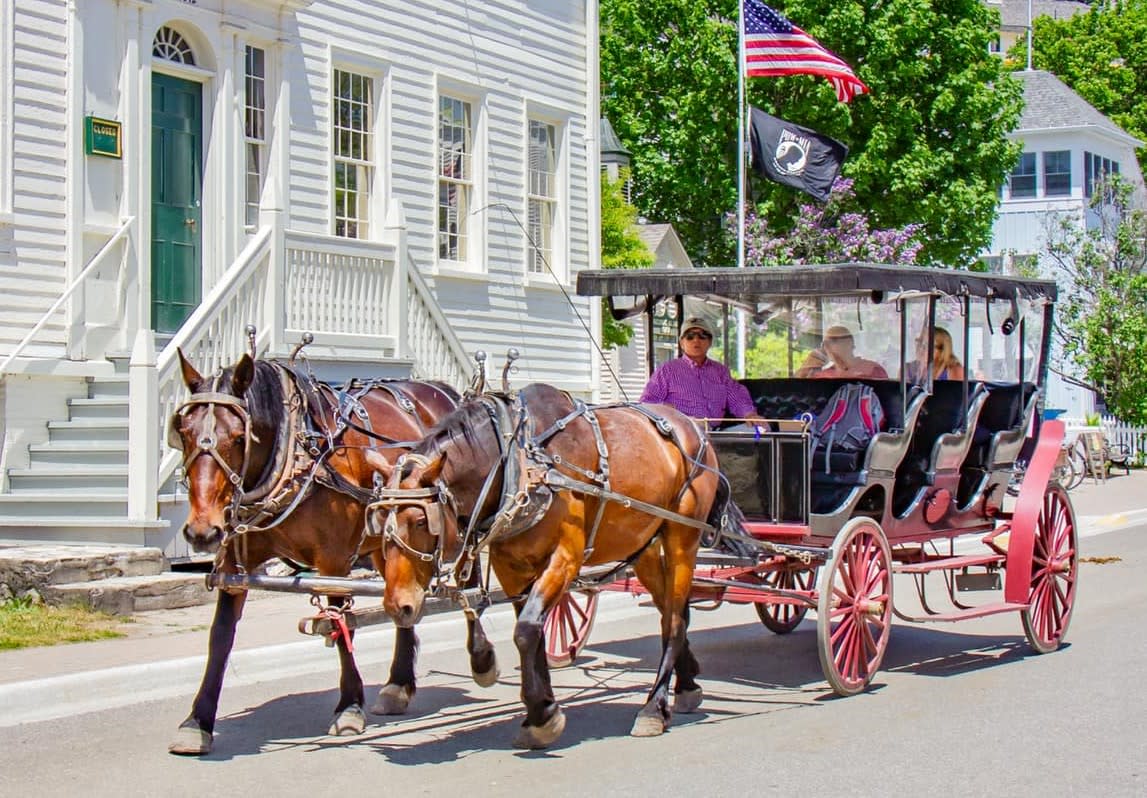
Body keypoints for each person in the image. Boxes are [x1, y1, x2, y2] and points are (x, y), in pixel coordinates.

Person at [640, 316, 767, 428]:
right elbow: (647, 403)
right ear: (681, 343)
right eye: (690, 337)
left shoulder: (720, 371)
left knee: (762, 429)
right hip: (681, 432)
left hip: (716, 433)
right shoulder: (667, 370)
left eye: (702, 336)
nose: (696, 340)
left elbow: (736, 397)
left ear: (710, 342)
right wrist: (666, 409)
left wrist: (749, 414)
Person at [796, 325, 889, 379]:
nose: (827, 346)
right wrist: (809, 366)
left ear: (849, 343)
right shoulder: (823, 375)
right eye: (825, 343)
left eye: (833, 340)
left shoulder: (872, 370)